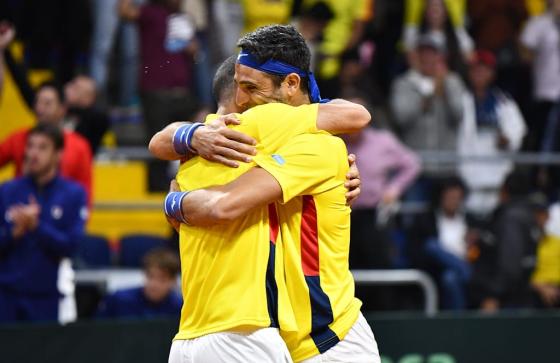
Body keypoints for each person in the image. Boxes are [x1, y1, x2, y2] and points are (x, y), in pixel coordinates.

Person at [162, 25, 380, 363]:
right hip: (279, 337)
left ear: (291, 84)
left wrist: (173, 198)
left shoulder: (314, 144)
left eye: (250, 88)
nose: (242, 101)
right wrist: (189, 137)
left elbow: (357, 114)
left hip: (331, 339)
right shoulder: (238, 142)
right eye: (238, 89)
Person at [0, 124, 87, 323]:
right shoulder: (7, 191)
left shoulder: (73, 194)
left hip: (45, 298)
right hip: (4, 296)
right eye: (30, 146)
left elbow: (71, 246)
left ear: (58, 154)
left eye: (42, 147)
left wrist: (36, 226)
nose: (33, 153)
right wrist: (14, 233)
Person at [119, 0, 200, 190]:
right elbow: (124, 11)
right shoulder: (149, 12)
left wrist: (191, 47)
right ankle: (157, 193)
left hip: (182, 92)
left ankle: (186, 184)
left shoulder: (182, 17)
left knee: (193, 134)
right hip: (155, 91)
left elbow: (194, 50)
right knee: (158, 144)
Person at [343, 93, 420, 270]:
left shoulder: (382, 141)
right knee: (347, 268)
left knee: (378, 264)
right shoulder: (335, 141)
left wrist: (394, 189)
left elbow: (412, 163)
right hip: (343, 215)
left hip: (375, 215)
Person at [458, 50, 527, 215]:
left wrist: (508, 139)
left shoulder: (504, 101)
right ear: (469, 72)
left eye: (484, 69)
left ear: (492, 74)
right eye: (476, 69)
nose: (480, 73)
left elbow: (518, 129)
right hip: (466, 175)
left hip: (496, 176)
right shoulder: (460, 98)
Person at [0, 82, 93, 201]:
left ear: (62, 109)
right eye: (38, 102)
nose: (40, 108)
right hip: (19, 211)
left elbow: (86, 192)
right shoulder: (18, 138)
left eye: (47, 103)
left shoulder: (80, 146)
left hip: (61, 214)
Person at [391, 34, 466, 179]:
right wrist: (428, 96)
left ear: (440, 57)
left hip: (447, 166)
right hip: (414, 167)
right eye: (423, 53)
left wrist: (445, 88)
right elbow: (401, 118)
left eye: (432, 54)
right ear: (415, 57)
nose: (427, 58)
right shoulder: (404, 83)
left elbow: (459, 115)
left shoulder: (453, 81)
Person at [469, 172, 540, 312]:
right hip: (518, 293)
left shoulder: (512, 218)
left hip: (507, 300)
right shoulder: (528, 214)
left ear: (504, 191)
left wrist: (493, 295)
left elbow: (510, 264)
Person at [409, 177, 473, 310]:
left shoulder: (470, 221)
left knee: (450, 277)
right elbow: (417, 251)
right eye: (449, 197)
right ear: (441, 197)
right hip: (436, 270)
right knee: (432, 247)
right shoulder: (426, 220)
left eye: (456, 197)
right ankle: (465, 270)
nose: (453, 201)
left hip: (465, 263)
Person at [520, 0, 560, 154]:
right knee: (542, 139)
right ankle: (537, 174)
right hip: (545, 91)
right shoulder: (538, 24)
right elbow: (524, 52)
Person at [96, 248, 182, 319]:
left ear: (173, 281)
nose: (154, 284)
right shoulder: (118, 299)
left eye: (162, 279)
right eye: (150, 276)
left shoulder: (180, 307)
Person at [64, 75, 110, 155]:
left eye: (75, 88)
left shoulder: (96, 118)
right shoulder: (64, 111)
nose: (68, 88)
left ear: (88, 97)